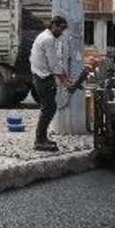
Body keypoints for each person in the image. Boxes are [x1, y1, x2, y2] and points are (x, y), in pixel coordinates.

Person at [29, 15, 72, 152]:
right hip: (44, 78)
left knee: (48, 108)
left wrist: (65, 77)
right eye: (61, 28)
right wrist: (64, 81)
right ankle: (39, 140)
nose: (61, 32)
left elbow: (55, 64)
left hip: (40, 77)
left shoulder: (44, 36)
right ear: (54, 25)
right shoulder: (48, 39)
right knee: (48, 109)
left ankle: (42, 138)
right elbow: (53, 64)